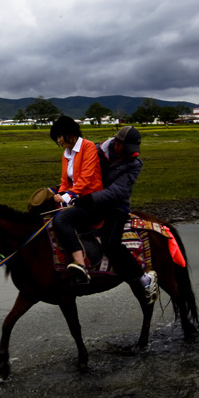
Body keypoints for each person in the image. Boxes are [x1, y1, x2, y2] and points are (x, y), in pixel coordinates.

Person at [71, 126, 157, 298]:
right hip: (90, 201)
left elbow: (117, 191)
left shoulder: (134, 164)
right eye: (126, 148)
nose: (130, 153)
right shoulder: (95, 151)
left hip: (116, 206)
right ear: (117, 143)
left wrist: (89, 198)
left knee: (111, 243)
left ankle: (143, 278)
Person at [48, 115, 103, 284]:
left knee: (62, 220)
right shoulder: (66, 154)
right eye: (56, 138)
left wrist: (67, 195)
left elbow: (86, 178)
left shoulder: (89, 147)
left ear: (70, 133)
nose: (58, 141)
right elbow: (65, 180)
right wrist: (61, 196)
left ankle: (80, 262)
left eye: (59, 136)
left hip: (93, 201)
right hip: (77, 199)